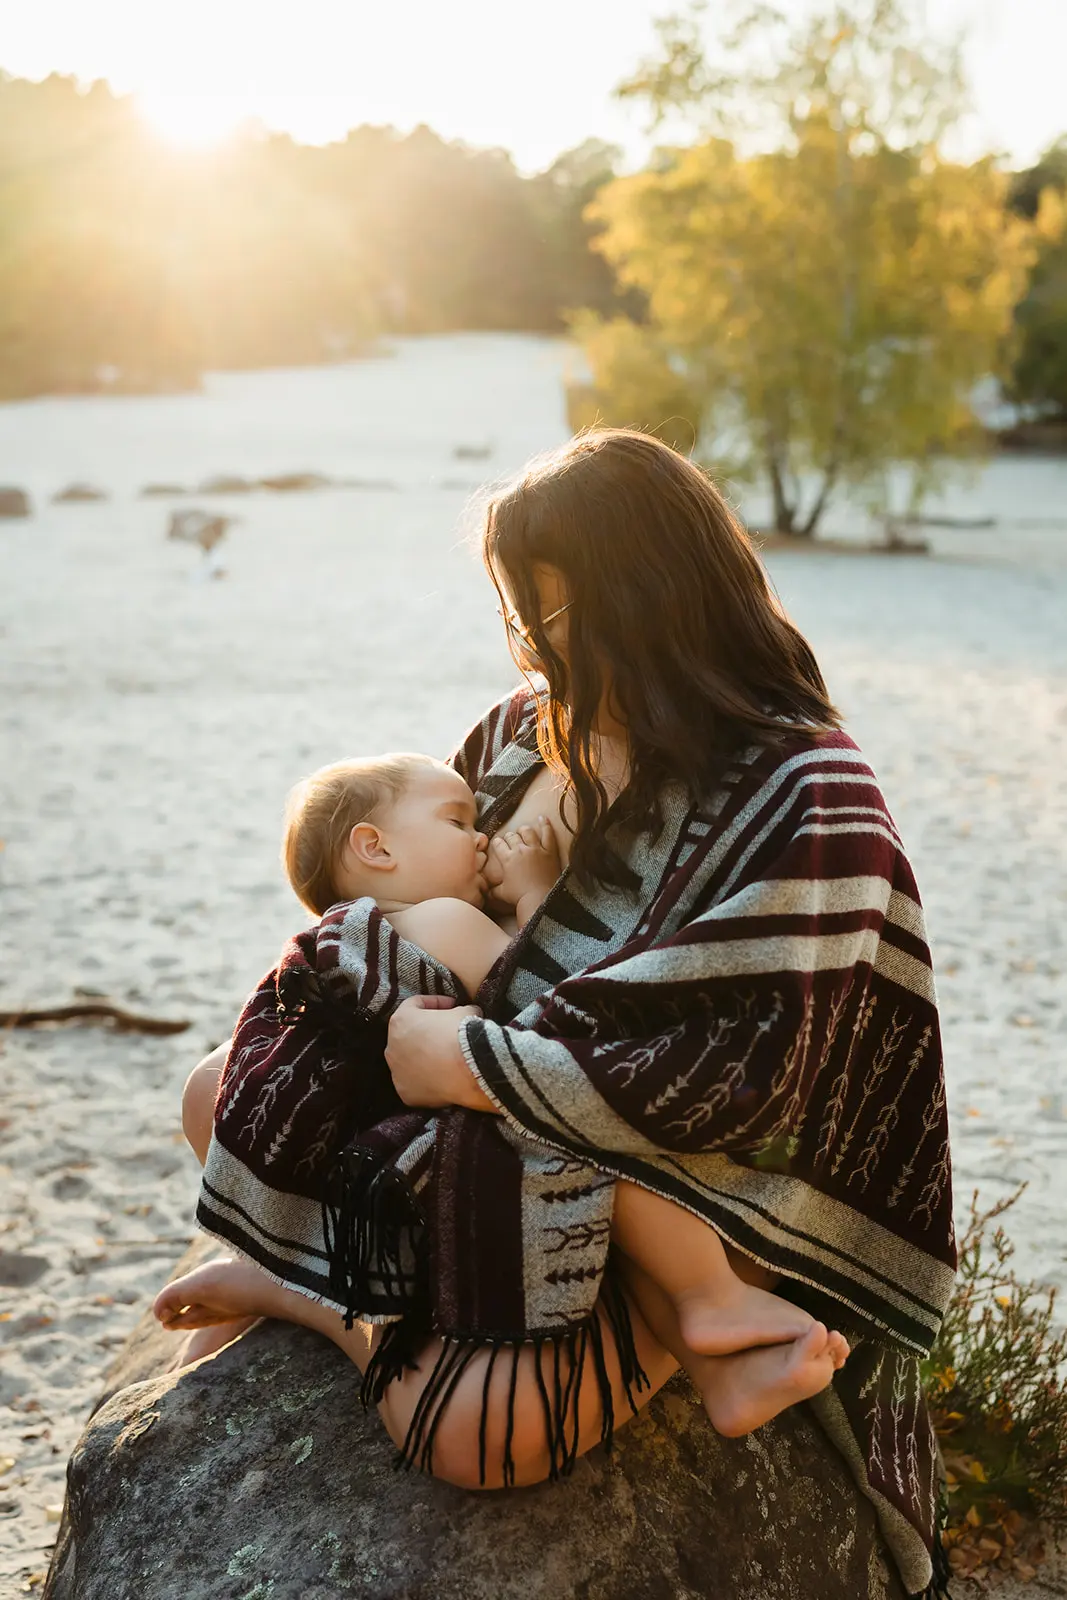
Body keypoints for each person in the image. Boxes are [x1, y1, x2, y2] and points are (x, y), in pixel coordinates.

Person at [153, 430, 955, 1598]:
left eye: (551, 618)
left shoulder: (806, 786)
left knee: (475, 1432)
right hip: (509, 1137)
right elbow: (415, 920)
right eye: (521, 622)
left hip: (689, 1181)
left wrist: (468, 1062)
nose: (532, 652)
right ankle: (347, 1275)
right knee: (218, 1091)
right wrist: (416, 1026)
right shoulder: (521, 737)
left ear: (645, 598)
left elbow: (747, 1071)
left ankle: (316, 1296)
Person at [160, 749, 848, 1433]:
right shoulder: (442, 921)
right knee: (592, 1126)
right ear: (375, 848)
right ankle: (710, 1295)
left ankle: (276, 1275)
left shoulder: (343, 937)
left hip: (373, 1174)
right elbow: (553, 1002)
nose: (482, 835)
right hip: (439, 1162)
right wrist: (532, 891)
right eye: (458, 820)